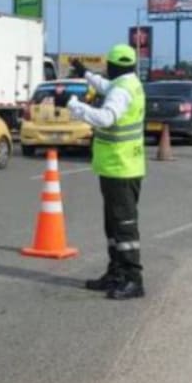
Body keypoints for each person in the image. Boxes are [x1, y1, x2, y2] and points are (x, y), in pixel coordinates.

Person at [66, 44, 147, 300]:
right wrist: (85, 73)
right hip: (117, 166)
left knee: (123, 227)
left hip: (121, 167)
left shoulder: (122, 90)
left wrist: (73, 104)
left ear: (113, 66)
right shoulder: (128, 83)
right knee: (113, 225)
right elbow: (105, 86)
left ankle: (133, 279)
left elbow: (105, 118)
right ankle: (116, 273)